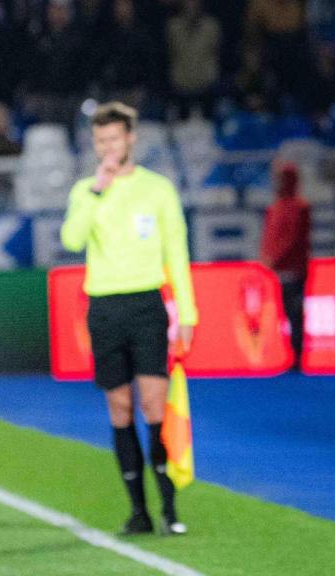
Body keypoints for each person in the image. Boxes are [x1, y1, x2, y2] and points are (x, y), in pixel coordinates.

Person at [60, 102, 196, 535]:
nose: (108, 147)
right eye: (100, 140)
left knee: (155, 403)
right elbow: (72, 238)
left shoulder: (157, 189)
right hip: (104, 306)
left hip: (145, 305)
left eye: (114, 138)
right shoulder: (86, 190)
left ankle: (169, 506)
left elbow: (176, 250)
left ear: (130, 139)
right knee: (120, 407)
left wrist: (188, 311)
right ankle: (138, 510)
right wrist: (97, 191)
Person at [260, 162, 311, 370]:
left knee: (295, 313)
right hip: (280, 271)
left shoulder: (299, 207)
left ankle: (297, 355)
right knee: (285, 313)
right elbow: (270, 236)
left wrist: (273, 258)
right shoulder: (276, 207)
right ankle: (289, 352)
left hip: (294, 270)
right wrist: (266, 256)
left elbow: (291, 238)